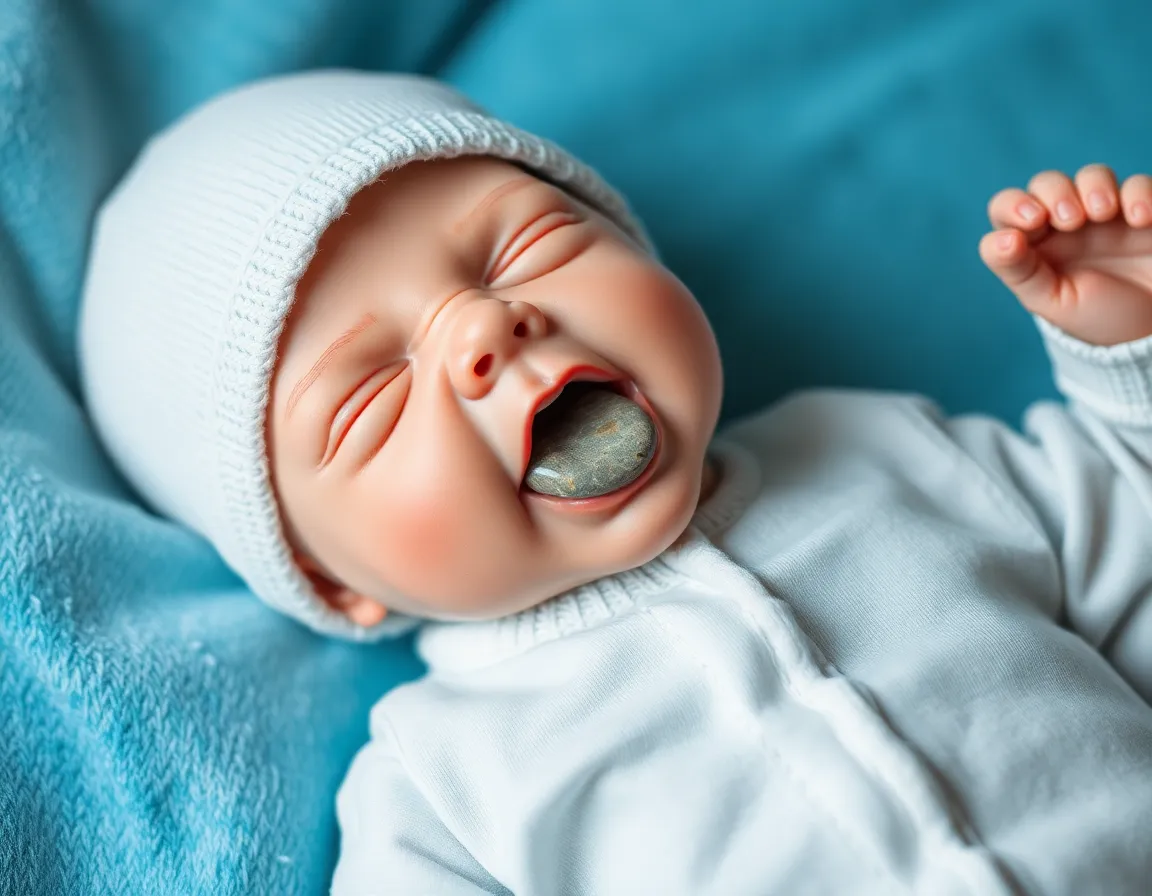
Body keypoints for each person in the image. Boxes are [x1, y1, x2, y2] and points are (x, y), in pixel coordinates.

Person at [79, 71, 1152, 894]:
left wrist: (1127, 348)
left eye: (527, 245)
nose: (485, 327)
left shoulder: (886, 455)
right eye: (371, 398)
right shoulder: (443, 784)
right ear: (326, 574)